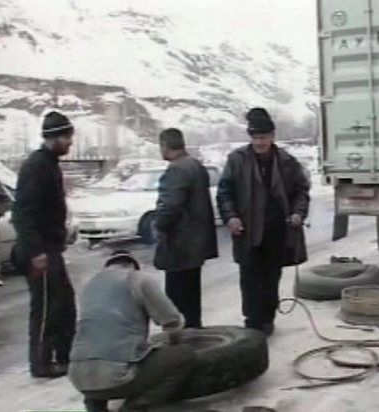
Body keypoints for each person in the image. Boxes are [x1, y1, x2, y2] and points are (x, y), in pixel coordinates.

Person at [217, 107, 310, 336]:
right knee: (249, 279)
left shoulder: (287, 161)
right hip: (248, 232)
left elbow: (301, 191)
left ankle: (267, 319)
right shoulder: (236, 160)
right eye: (255, 137)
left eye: (263, 137)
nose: (259, 142)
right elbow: (224, 192)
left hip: (277, 231)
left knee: (271, 278)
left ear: (272, 137)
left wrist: (299, 213)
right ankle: (252, 321)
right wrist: (231, 217)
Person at [69, 250, 196, 412]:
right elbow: (172, 321)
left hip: (78, 378)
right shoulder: (137, 279)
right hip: (115, 378)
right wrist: (174, 343)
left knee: (97, 350)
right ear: (133, 266)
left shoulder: (90, 284)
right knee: (183, 355)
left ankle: (95, 407)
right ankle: (137, 407)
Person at [12, 110, 76, 378]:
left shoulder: (49, 164)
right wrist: (37, 251)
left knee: (64, 303)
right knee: (47, 307)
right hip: (40, 252)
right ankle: (41, 363)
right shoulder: (37, 166)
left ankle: (64, 355)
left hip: (51, 248)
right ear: (54, 137)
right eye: (67, 137)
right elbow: (22, 213)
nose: (71, 143)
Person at [155, 128, 218, 328]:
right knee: (192, 301)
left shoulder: (176, 170)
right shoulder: (195, 166)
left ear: (165, 145)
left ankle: (182, 347)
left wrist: (159, 225)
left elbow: (170, 207)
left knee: (178, 302)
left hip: (179, 247)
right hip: (195, 245)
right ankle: (195, 337)